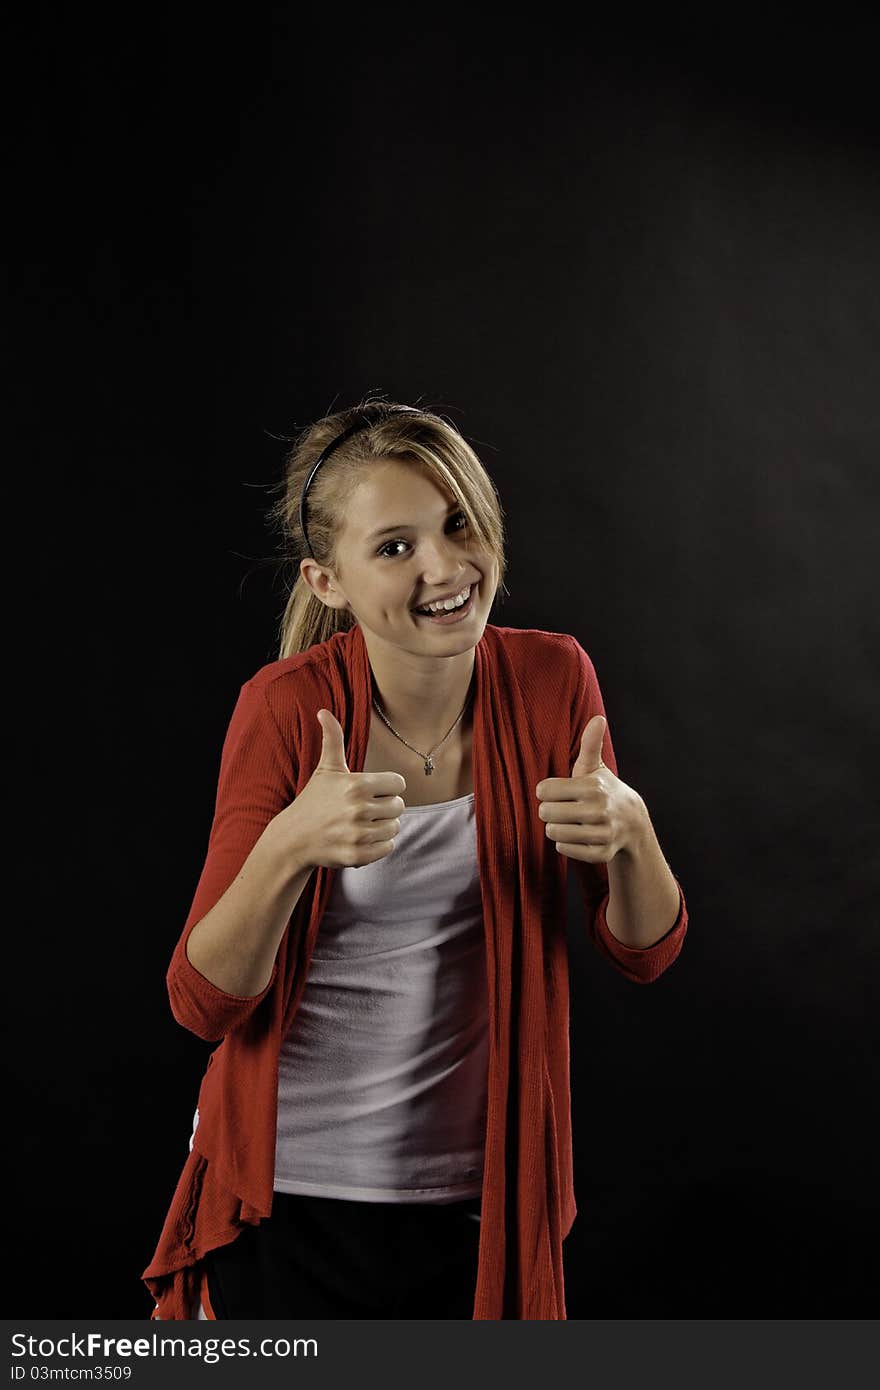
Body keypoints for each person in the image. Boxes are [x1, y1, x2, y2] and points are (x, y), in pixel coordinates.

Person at [141, 396, 689, 1321]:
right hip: (287, 1196)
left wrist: (632, 833)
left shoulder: (553, 680)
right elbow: (202, 1002)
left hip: (476, 1200)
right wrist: (288, 848)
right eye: (393, 546)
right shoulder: (286, 709)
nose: (443, 567)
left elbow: (645, 950)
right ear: (328, 582)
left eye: (457, 524)